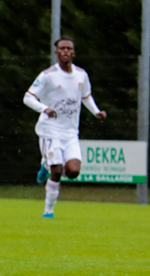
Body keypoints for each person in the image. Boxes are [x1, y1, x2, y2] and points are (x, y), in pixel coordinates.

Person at [24, 37, 107, 218]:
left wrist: (96, 112)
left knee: (73, 171)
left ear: (74, 52)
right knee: (57, 170)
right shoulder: (48, 75)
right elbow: (28, 97)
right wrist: (44, 108)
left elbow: (86, 97)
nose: (66, 51)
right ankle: (48, 211)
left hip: (70, 133)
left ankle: (45, 164)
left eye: (69, 48)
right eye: (62, 48)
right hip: (50, 131)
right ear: (57, 52)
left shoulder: (81, 75)